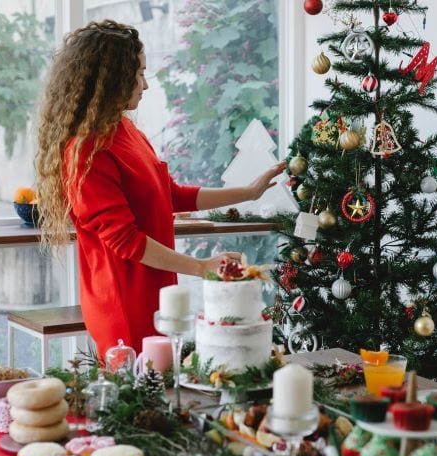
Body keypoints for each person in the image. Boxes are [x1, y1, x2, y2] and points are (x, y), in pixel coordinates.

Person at [34, 20, 285, 363]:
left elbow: (173, 194)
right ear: (111, 80)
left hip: (156, 295)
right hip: (123, 306)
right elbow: (127, 241)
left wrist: (249, 192)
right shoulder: (87, 152)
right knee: (142, 399)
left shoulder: (124, 130)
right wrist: (201, 267)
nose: (146, 85)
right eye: (138, 74)